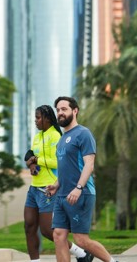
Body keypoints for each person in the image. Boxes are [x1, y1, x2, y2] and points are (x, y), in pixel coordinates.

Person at [46, 96, 118, 262]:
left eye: (64, 109)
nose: (60, 113)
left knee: (81, 240)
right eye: (58, 110)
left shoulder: (83, 134)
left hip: (81, 193)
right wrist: (56, 185)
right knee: (58, 235)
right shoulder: (62, 140)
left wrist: (78, 188)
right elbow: (67, 167)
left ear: (75, 111)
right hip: (62, 195)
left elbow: (89, 164)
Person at [23, 105, 93, 262]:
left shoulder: (56, 136)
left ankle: (81, 253)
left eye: (38, 117)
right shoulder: (38, 136)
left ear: (47, 119)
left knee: (48, 231)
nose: (36, 120)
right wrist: (31, 164)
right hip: (34, 187)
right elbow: (31, 153)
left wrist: (38, 160)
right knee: (29, 226)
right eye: (35, 117)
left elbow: (58, 162)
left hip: (48, 187)